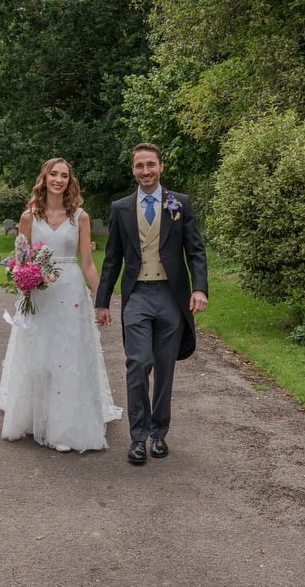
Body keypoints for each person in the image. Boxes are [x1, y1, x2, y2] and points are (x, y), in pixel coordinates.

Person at [94, 143, 208, 465]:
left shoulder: (179, 203)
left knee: (164, 369)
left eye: (150, 165)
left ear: (161, 166)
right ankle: (138, 437)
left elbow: (195, 251)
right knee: (138, 363)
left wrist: (199, 288)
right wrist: (102, 302)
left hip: (171, 298)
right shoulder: (121, 208)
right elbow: (112, 259)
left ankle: (159, 433)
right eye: (139, 166)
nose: (145, 172)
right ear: (133, 170)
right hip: (138, 297)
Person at [0, 158, 122, 452]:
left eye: (64, 175)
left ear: (70, 181)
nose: (58, 179)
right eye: (53, 174)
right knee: (38, 356)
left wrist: (102, 300)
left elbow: (89, 264)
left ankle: (65, 426)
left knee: (68, 356)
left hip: (71, 292)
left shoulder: (80, 217)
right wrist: (23, 280)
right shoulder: (29, 217)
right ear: (44, 178)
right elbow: (22, 259)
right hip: (39, 294)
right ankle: (34, 416)